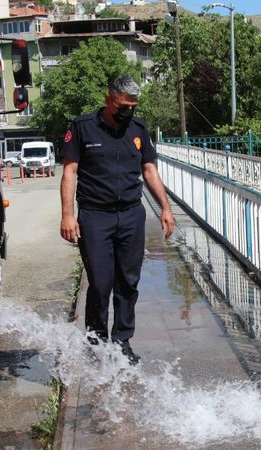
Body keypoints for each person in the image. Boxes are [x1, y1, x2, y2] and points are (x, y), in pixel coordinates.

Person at [60, 74, 175, 364]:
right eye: (125, 105)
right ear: (109, 98)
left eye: (134, 105)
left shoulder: (138, 129)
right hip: (95, 216)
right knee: (100, 282)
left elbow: (149, 170)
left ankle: (122, 342)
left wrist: (165, 207)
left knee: (128, 282)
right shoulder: (82, 127)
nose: (129, 110)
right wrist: (67, 215)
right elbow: (70, 172)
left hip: (131, 215)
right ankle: (96, 342)